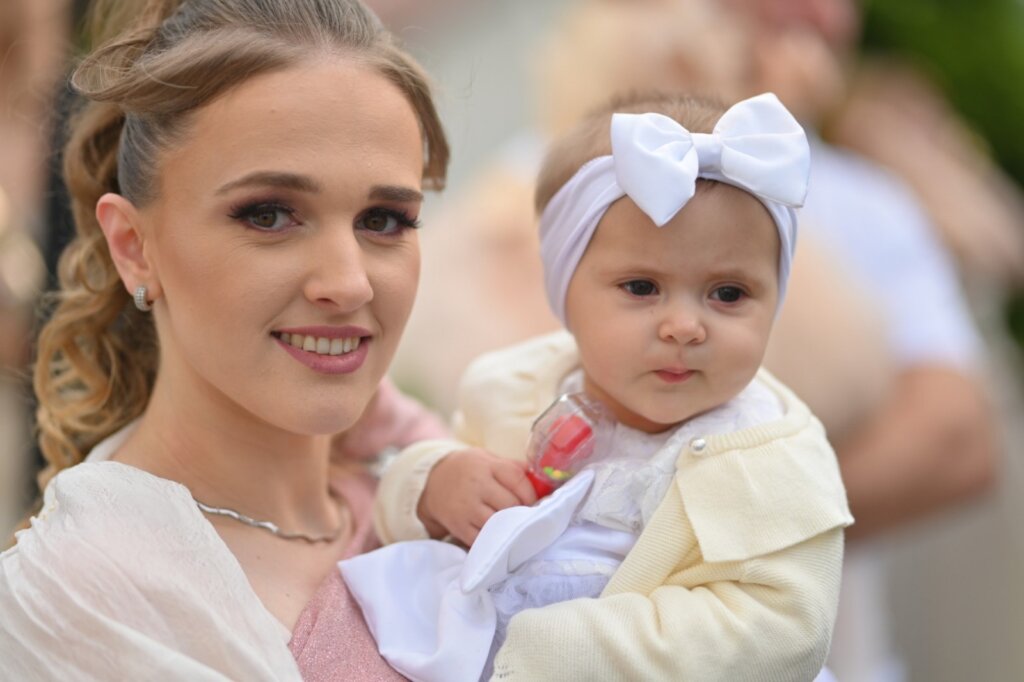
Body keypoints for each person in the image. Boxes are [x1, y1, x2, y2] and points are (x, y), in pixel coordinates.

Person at [0, 0, 453, 678]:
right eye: (268, 215)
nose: (348, 283)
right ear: (134, 247)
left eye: (384, 219)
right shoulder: (74, 599)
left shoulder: (438, 496)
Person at [342, 92, 854, 681]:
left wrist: (556, 650)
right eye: (642, 287)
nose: (684, 326)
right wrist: (433, 488)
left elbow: (782, 632)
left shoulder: (776, 456)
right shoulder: (513, 388)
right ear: (566, 289)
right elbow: (413, 513)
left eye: (728, 294)